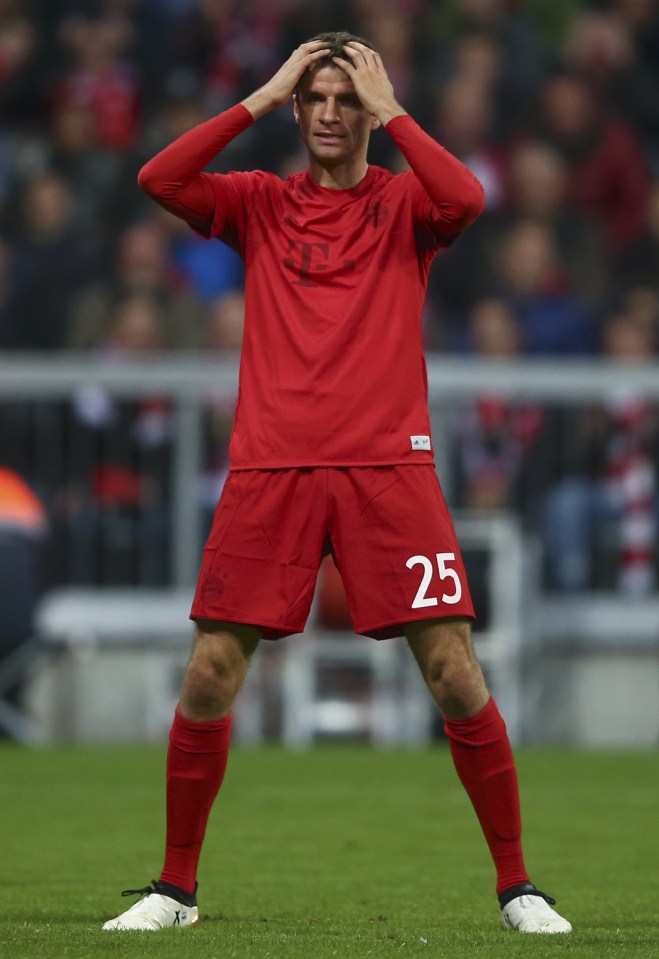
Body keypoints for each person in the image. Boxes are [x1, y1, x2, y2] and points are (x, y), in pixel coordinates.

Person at [102, 31, 572, 935]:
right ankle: (174, 887)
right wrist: (262, 91)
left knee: (451, 669)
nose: (326, 113)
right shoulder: (259, 204)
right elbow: (158, 179)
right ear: (295, 107)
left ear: (368, 111)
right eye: (313, 98)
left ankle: (518, 886)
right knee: (207, 673)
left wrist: (394, 109)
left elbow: (467, 196)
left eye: (342, 100)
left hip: (387, 466)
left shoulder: (404, 206)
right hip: (271, 466)